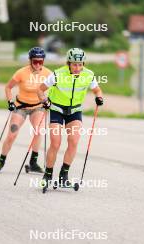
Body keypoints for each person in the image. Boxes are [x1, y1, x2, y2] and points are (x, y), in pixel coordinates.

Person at [37, 48, 103, 190]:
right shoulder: (58, 74)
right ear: (68, 63)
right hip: (57, 110)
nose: (77, 68)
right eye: (74, 64)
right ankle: (47, 175)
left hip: (74, 111)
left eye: (80, 64)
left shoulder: (89, 75)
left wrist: (99, 97)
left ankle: (63, 176)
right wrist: (44, 101)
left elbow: (97, 90)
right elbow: (40, 90)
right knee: (55, 143)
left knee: (73, 141)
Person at [0, 47, 52, 175]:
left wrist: (49, 101)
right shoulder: (21, 72)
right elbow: (8, 87)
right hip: (21, 107)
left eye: (40, 62)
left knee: (39, 131)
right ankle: (1, 160)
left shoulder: (48, 73)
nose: (38, 64)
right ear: (30, 60)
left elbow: (54, 89)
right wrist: (10, 102)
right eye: (35, 61)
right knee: (12, 134)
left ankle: (33, 163)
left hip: (38, 107)